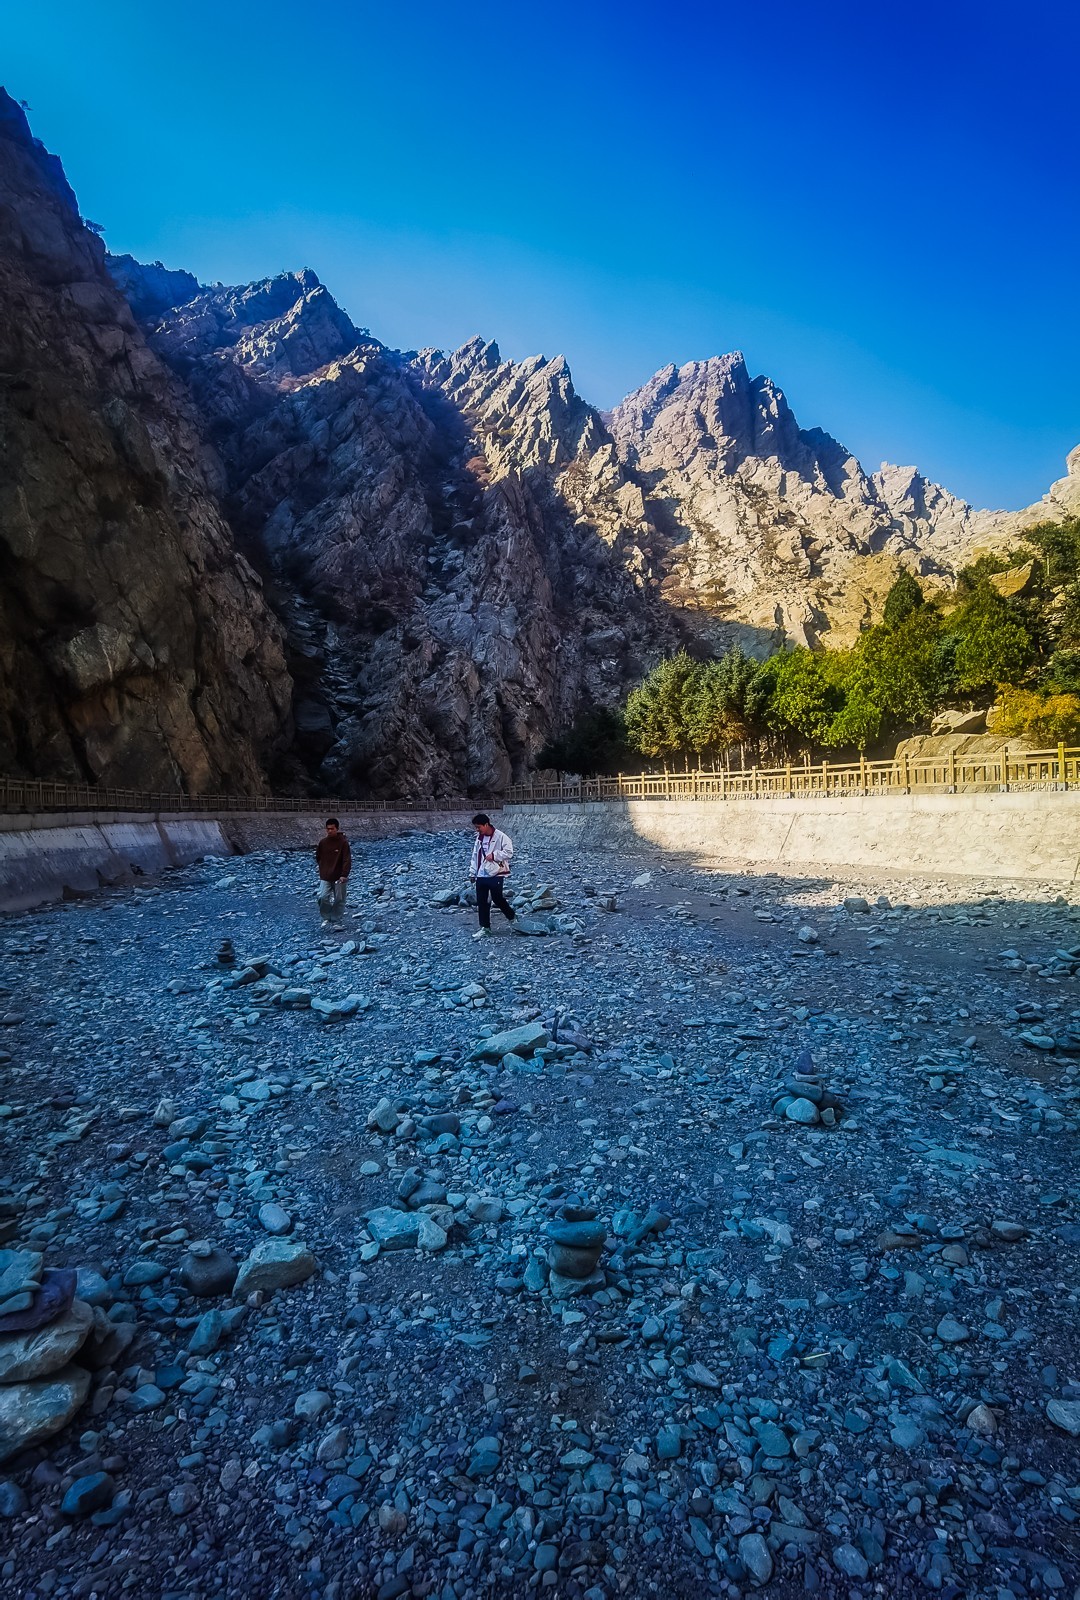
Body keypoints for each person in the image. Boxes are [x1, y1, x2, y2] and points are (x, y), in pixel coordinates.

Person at [468, 813, 518, 939]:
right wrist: (472, 872)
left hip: (496, 872)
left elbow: (509, 852)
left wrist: (495, 855)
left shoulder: (501, 836)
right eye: (476, 827)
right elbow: (475, 856)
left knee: (497, 898)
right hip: (481, 873)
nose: (477, 830)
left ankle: (512, 917)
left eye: (479, 827)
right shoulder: (479, 839)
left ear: (486, 824)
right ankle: (485, 928)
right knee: (482, 901)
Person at [315, 817, 351, 923]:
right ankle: (326, 916)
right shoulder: (323, 843)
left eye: (332, 829)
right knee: (322, 897)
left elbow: (347, 859)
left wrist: (344, 874)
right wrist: (323, 868)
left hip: (339, 876)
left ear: (337, 829)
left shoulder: (343, 843)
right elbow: (318, 857)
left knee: (339, 899)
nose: (330, 831)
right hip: (325, 876)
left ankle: (335, 918)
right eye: (328, 829)